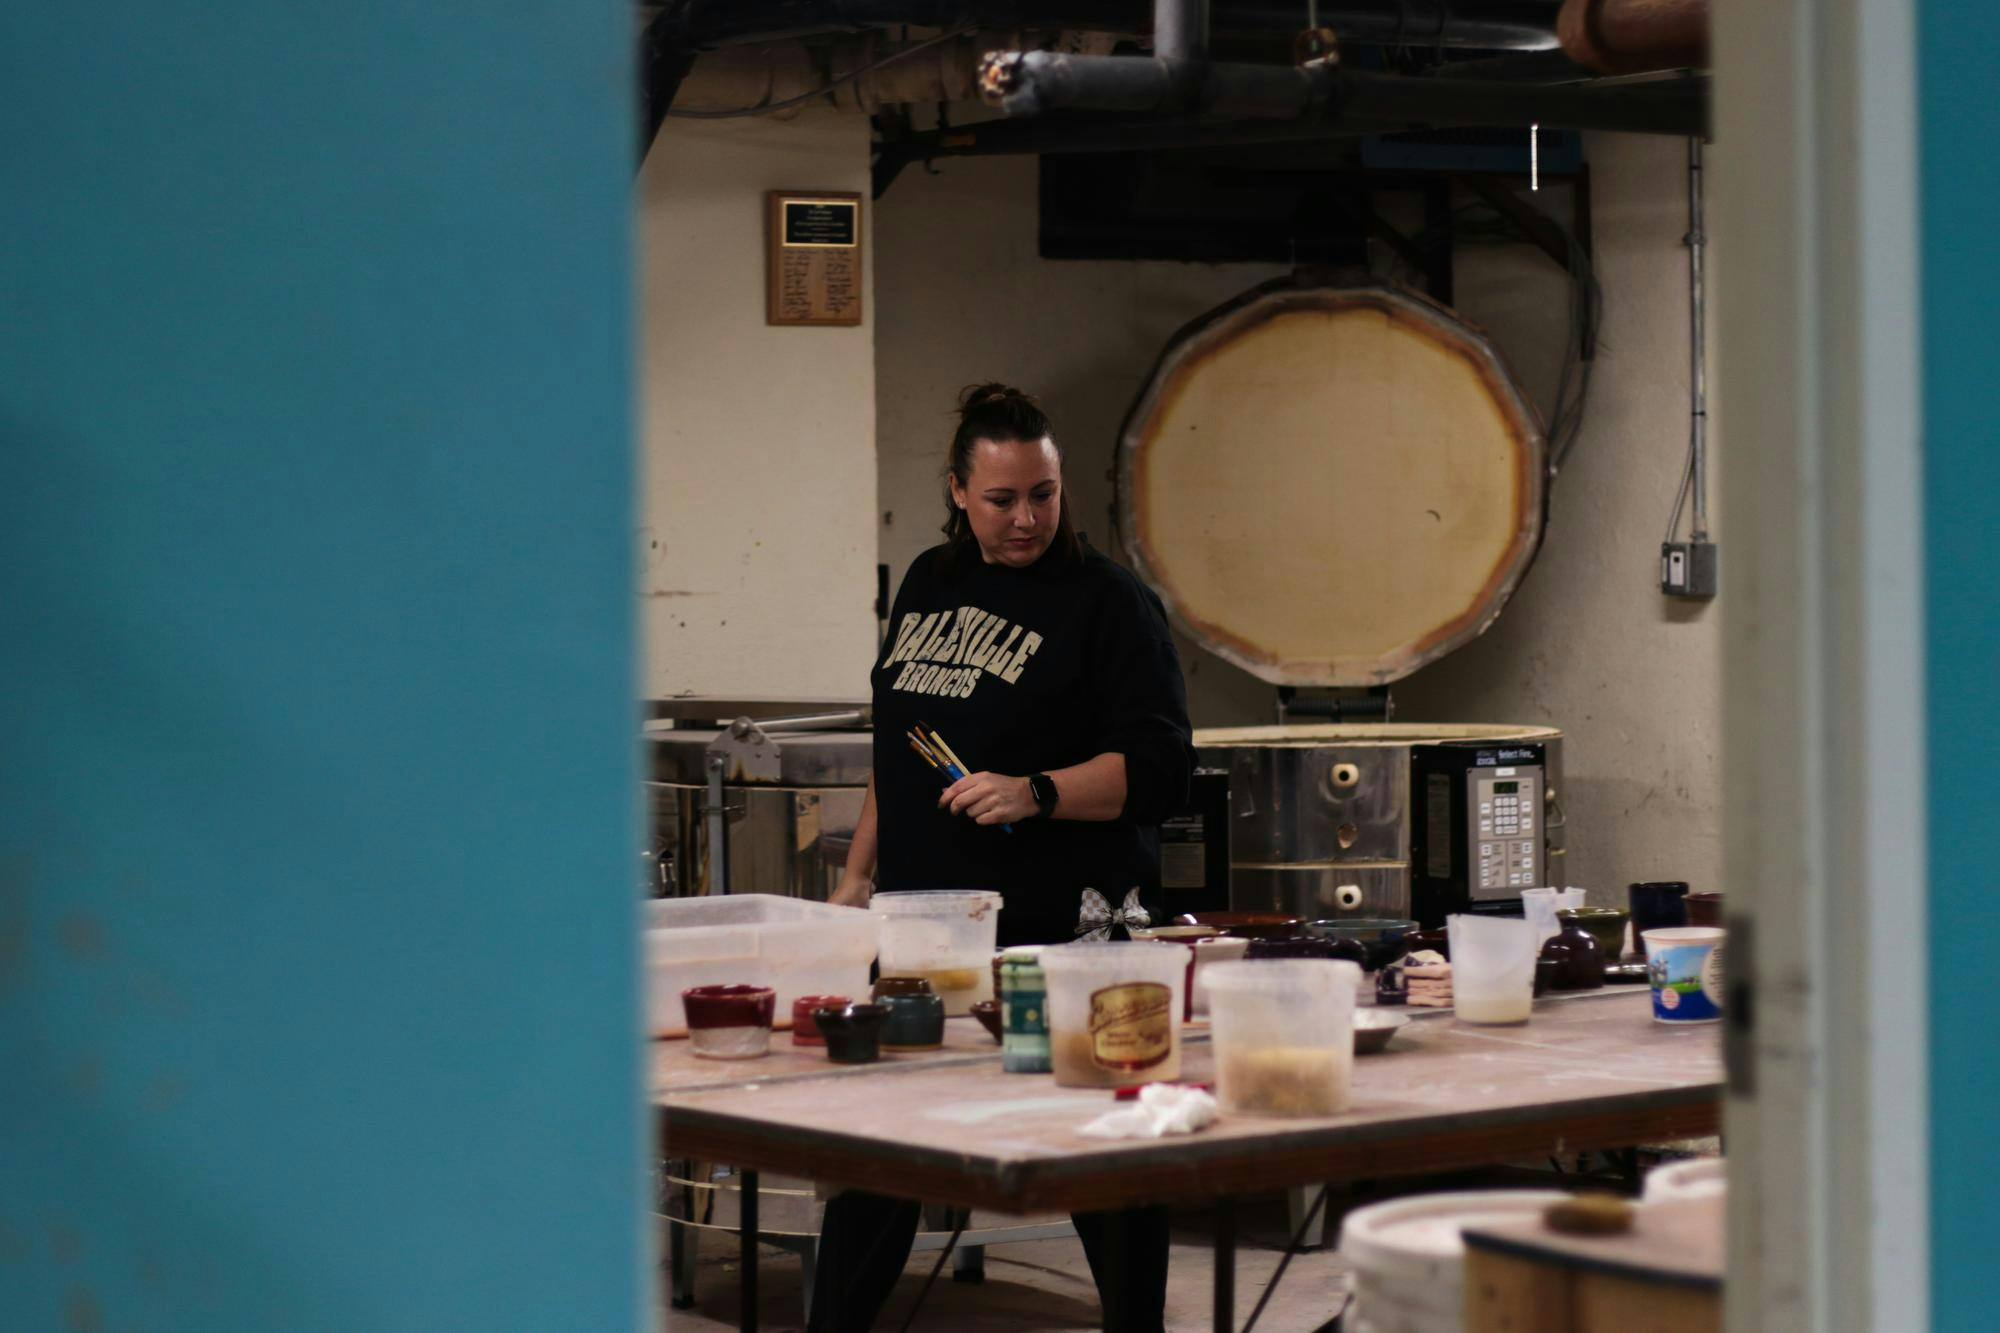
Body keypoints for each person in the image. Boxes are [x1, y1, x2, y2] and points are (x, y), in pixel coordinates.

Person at [815, 383, 1194, 1332]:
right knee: (880, 1154)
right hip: (926, 934)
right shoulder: (927, 582)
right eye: (1001, 498)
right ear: (957, 490)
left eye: (1043, 494)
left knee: (1102, 1163)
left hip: (1064, 937)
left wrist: (1038, 790)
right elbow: (900, 747)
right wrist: (858, 874)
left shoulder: (1108, 603)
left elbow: (1162, 770)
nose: (1026, 518)